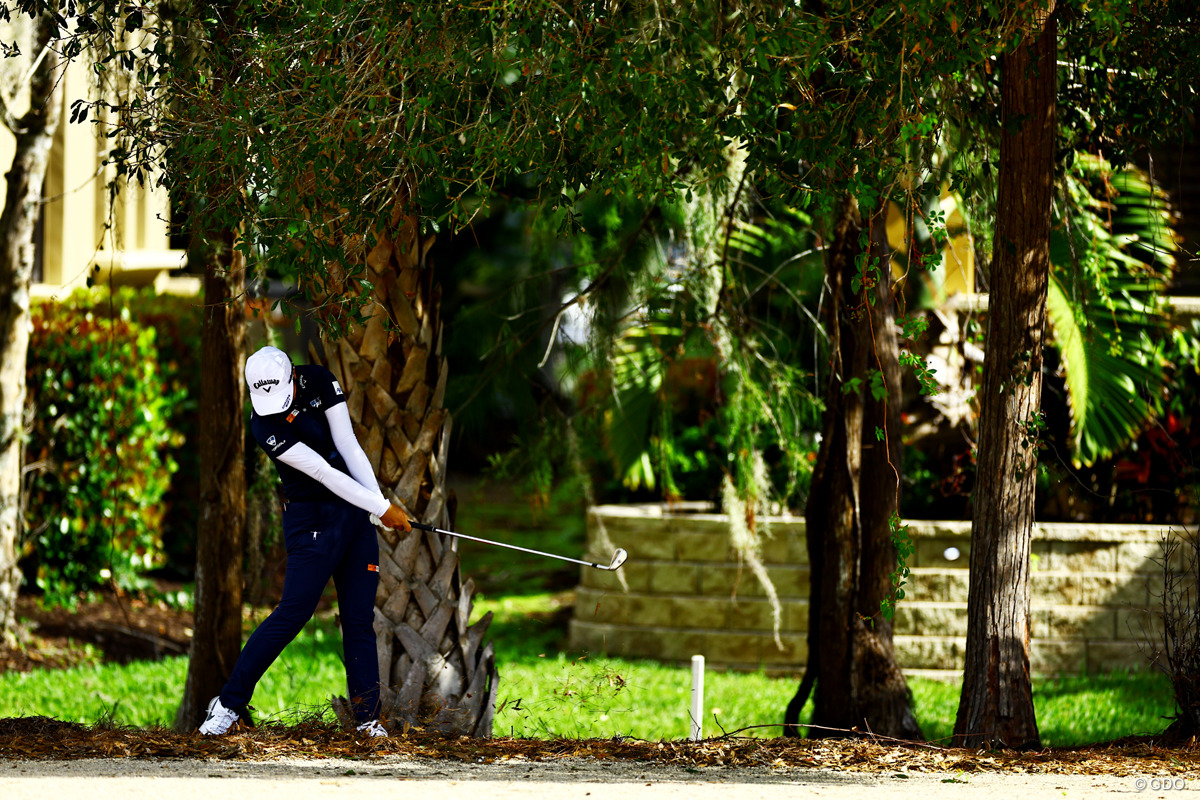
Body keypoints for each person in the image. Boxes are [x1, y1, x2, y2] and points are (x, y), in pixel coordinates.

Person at [199, 345, 411, 737]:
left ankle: (367, 721)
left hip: (354, 510)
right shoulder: (265, 426)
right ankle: (227, 705)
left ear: (293, 377)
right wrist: (380, 507)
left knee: (359, 619)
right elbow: (325, 473)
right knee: (293, 613)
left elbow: (348, 446)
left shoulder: (318, 379)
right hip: (311, 514)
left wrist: (376, 506)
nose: (274, 408)